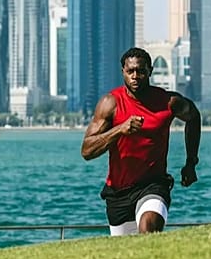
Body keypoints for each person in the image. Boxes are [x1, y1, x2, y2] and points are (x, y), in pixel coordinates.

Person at [81, 47, 201, 236]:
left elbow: (193, 116)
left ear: (150, 71)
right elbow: (87, 151)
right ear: (123, 72)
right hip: (118, 193)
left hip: (153, 185)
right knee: (126, 250)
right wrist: (120, 129)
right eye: (130, 71)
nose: (135, 76)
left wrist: (191, 162)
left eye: (141, 71)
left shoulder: (168, 102)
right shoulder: (110, 103)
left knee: (147, 228)